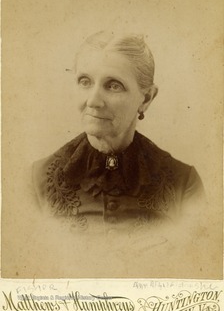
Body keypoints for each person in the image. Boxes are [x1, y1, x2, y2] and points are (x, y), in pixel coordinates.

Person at [33, 31, 205, 240]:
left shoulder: (183, 183)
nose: (93, 101)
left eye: (113, 85)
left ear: (147, 99)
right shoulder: (37, 181)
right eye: (85, 81)